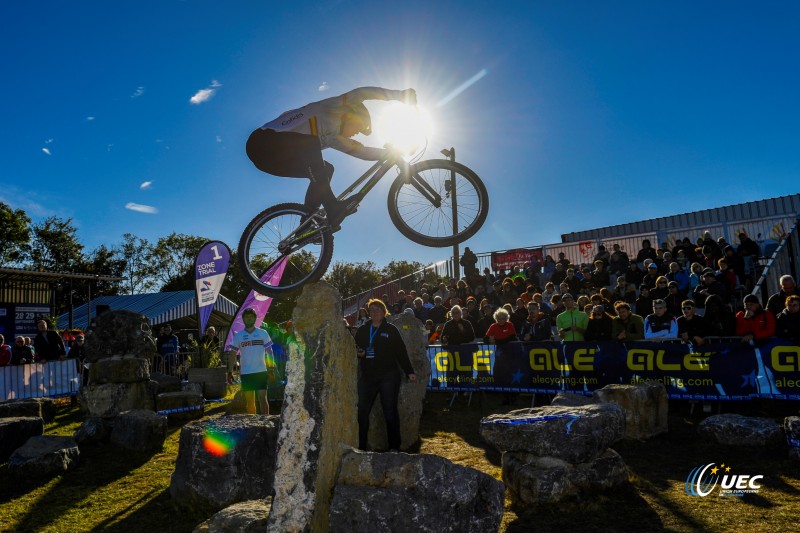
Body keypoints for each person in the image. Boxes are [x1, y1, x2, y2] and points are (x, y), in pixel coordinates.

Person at [246, 87, 416, 226]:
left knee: (326, 170)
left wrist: (391, 153)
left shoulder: (336, 138)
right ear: (352, 114)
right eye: (360, 127)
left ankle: (306, 223)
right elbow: (363, 93)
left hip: (271, 162)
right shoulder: (333, 108)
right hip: (262, 142)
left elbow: (362, 152)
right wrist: (399, 95)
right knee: (311, 144)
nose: (357, 133)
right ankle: (332, 206)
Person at [354, 299, 416, 451]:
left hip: (388, 376)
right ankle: (361, 447)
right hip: (368, 376)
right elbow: (355, 348)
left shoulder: (391, 329)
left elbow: (401, 352)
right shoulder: (362, 330)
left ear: (384, 312)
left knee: (389, 411)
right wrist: (359, 353)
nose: (375, 312)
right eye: (372, 309)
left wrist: (409, 371)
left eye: (378, 309)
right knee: (361, 411)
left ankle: (394, 447)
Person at [227, 308, 275, 415]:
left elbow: (269, 352)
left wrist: (271, 369)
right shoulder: (238, 335)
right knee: (250, 402)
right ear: (243, 319)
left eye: (251, 317)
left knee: (263, 400)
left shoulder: (263, 333)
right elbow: (232, 354)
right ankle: (253, 427)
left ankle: (265, 425)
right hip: (246, 373)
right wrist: (229, 371)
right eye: (246, 317)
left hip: (261, 371)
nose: (249, 319)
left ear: (255, 318)